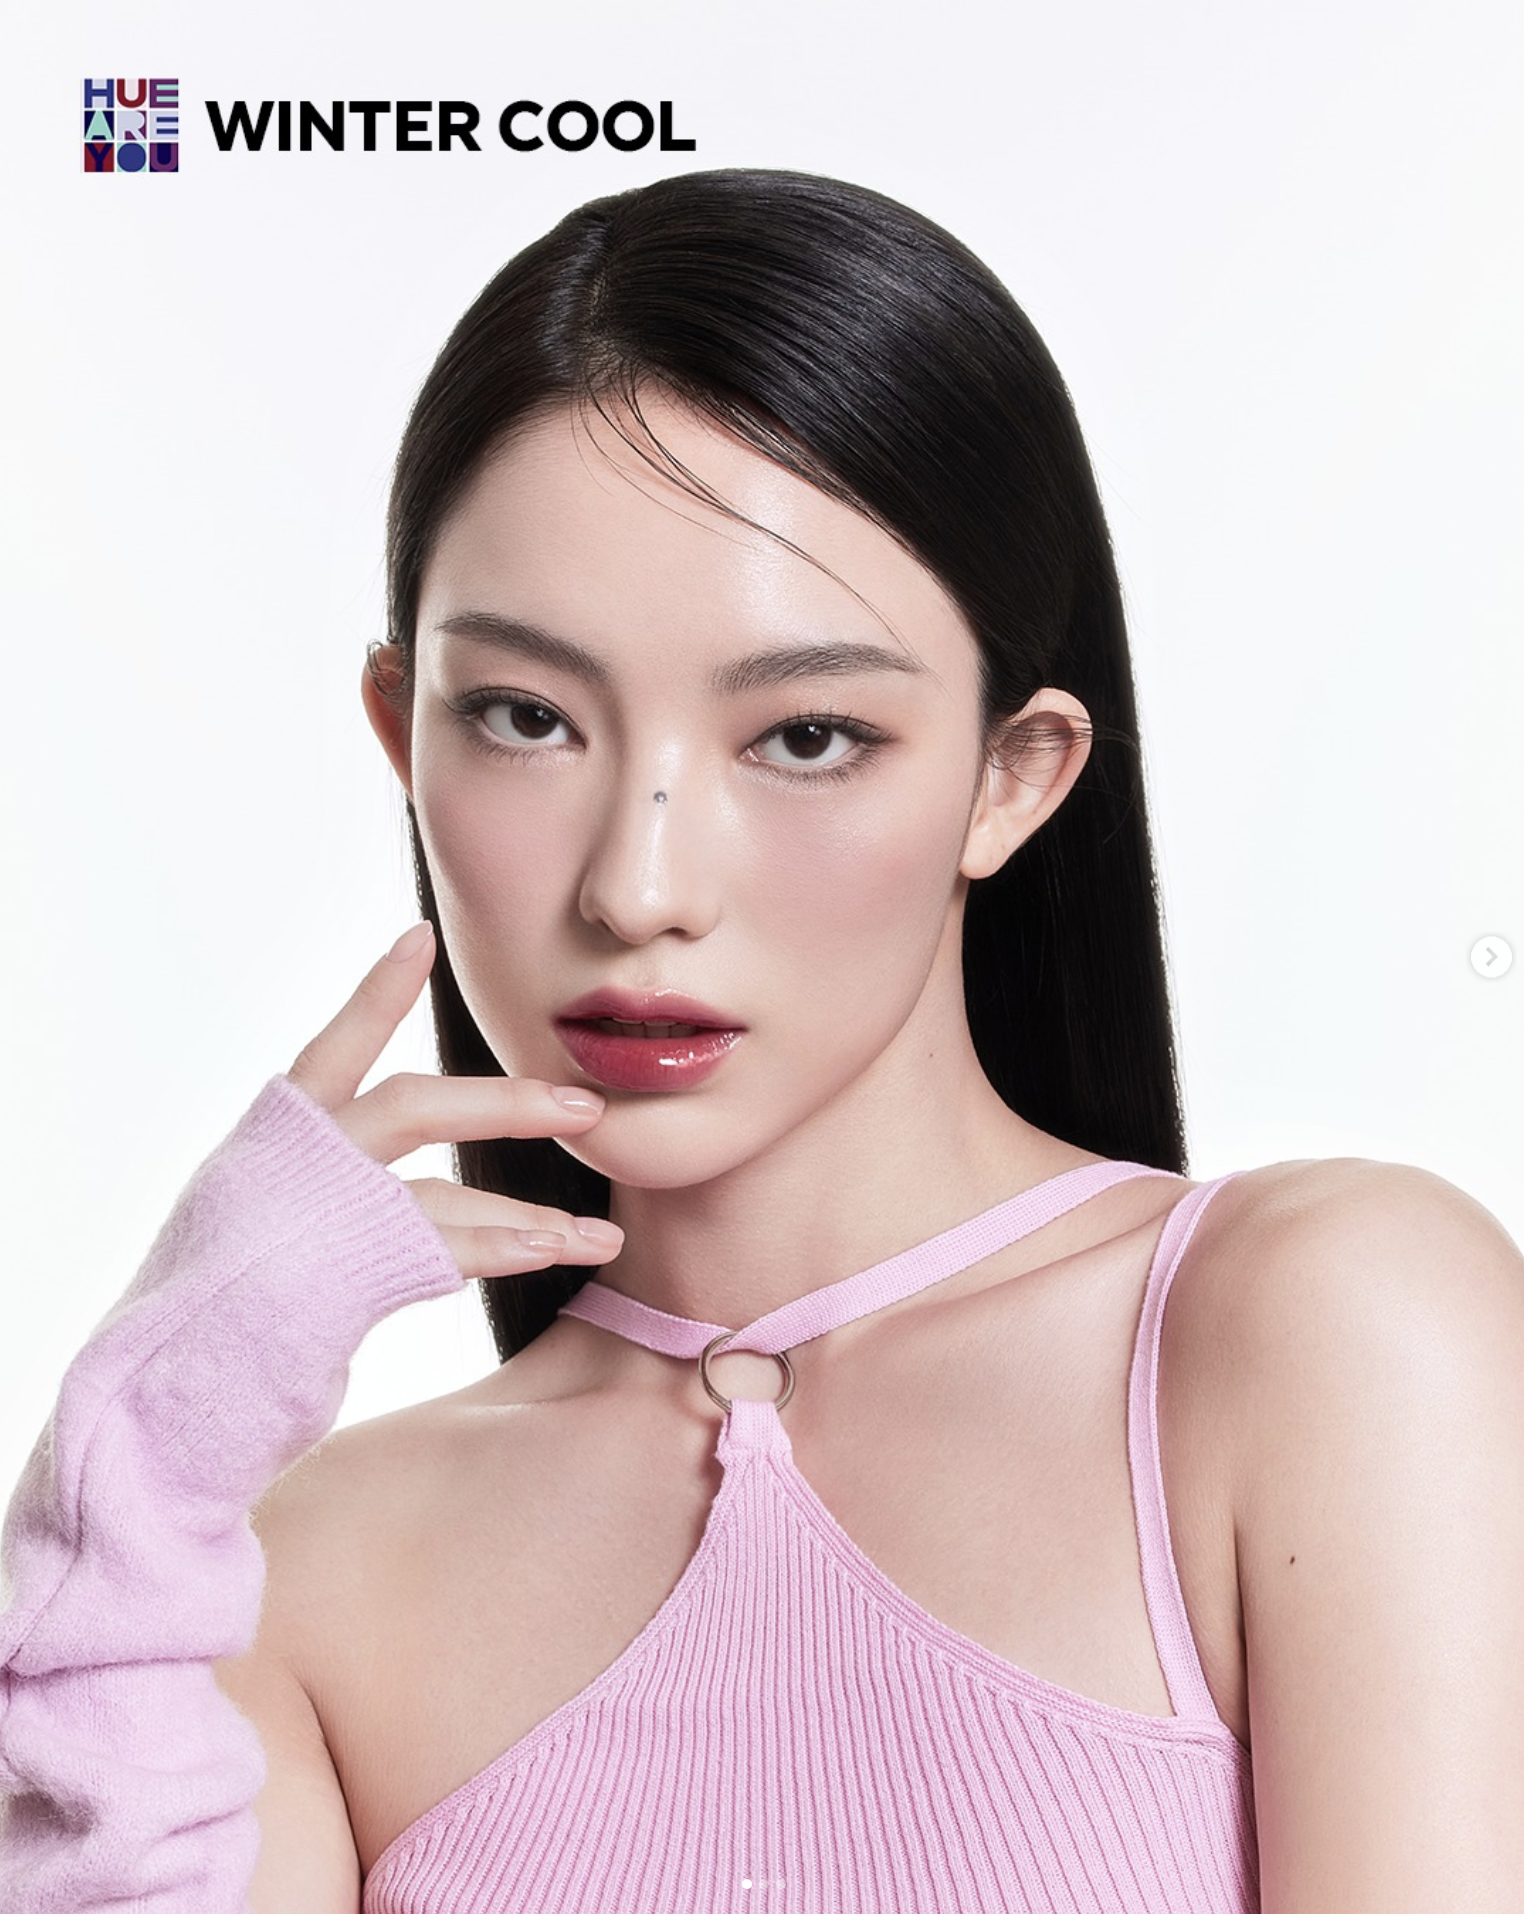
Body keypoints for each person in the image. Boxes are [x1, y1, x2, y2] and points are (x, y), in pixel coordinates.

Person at [2, 169, 1521, 1913]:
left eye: (804, 734)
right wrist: (148, 1438)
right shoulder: (294, 1579)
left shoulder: (1321, 1331)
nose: (638, 886)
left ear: (1010, 777)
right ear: (402, 733)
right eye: (524, 716)